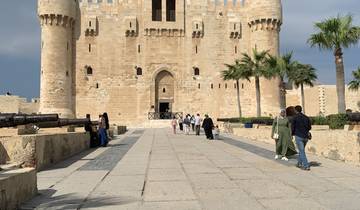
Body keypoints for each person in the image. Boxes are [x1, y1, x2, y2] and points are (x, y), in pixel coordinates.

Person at [292, 105, 312, 171]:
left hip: (298, 136)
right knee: (301, 150)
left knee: (302, 151)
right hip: (306, 137)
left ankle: (306, 165)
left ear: (295, 110)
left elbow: (293, 127)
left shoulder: (295, 118)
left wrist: (292, 134)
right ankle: (299, 163)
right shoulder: (306, 117)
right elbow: (309, 127)